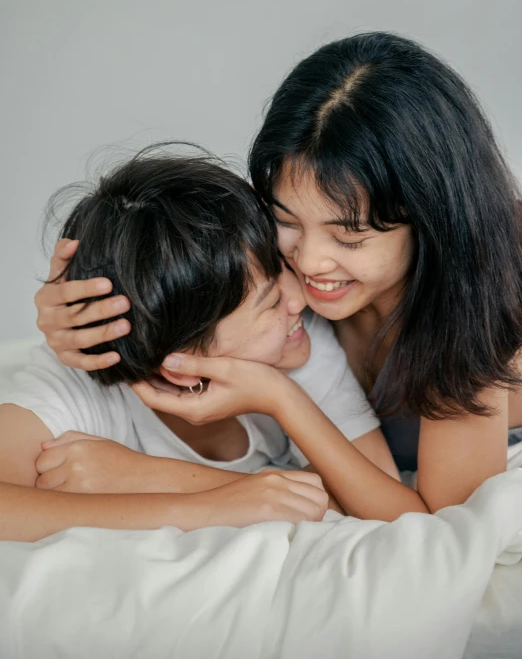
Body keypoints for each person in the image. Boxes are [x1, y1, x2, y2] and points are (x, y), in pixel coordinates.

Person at [41, 33, 522, 519]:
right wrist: (89, 316)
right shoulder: (282, 248)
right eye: (286, 220)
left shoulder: (476, 305)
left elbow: (445, 528)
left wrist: (280, 400)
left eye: (350, 237)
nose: (309, 262)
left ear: (431, 224)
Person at [0, 146, 397, 541]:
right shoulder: (79, 383)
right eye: (272, 302)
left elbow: (383, 504)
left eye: (282, 269)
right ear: (182, 362)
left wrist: (147, 476)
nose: (300, 298)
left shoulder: (297, 342)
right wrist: (207, 507)